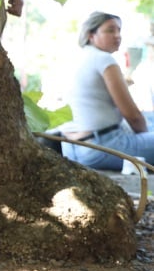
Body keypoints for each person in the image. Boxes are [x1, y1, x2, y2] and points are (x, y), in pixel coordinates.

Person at [62, 12, 154, 172]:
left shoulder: (75, 59)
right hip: (102, 147)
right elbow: (133, 116)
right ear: (91, 35)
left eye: (119, 30)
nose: (117, 35)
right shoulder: (104, 60)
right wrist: (144, 140)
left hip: (74, 148)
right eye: (110, 30)